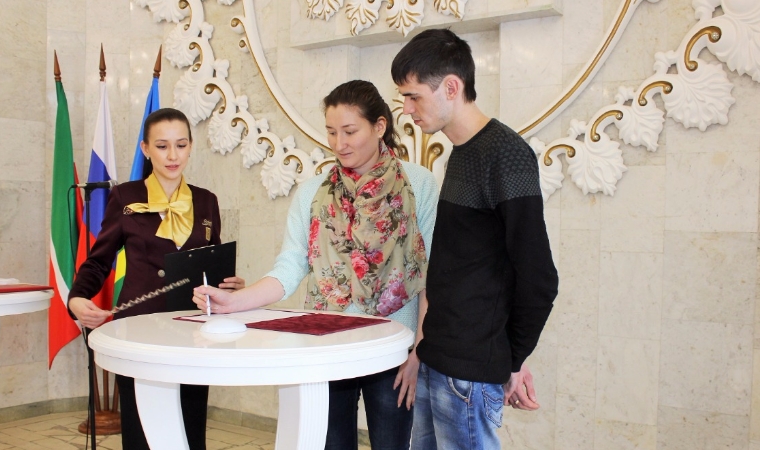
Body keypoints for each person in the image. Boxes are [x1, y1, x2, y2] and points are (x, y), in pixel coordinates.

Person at [192, 80, 439, 450]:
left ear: (380, 126)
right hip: (326, 344)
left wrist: (419, 351)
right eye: (331, 132)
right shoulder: (312, 192)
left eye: (350, 131)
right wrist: (234, 302)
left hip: (392, 347)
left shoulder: (419, 184)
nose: (339, 143)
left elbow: (431, 275)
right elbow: (290, 266)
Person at [391, 29, 559, 449]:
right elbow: (459, 268)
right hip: (438, 358)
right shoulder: (462, 153)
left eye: (413, 97)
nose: (406, 110)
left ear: (452, 87)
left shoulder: (506, 154)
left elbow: (538, 276)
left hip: (468, 371)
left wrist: (511, 359)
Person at [67, 107, 245, 450]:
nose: (172, 155)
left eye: (181, 145)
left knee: (190, 429)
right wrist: (77, 297)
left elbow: (211, 264)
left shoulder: (206, 201)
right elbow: (99, 261)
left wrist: (230, 285)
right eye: (162, 146)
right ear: (146, 149)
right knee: (141, 431)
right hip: (139, 329)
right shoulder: (125, 197)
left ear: (191, 146)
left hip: (193, 331)